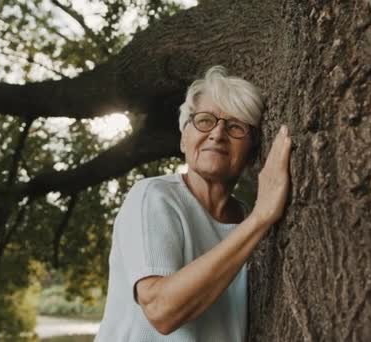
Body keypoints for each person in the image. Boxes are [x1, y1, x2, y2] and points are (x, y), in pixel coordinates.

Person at [95, 66, 292, 341]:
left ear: (252, 153)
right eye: (205, 120)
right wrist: (261, 217)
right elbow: (160, 310)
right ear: (183, 139)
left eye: (236, 126)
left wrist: (258, 219)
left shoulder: (251, 225)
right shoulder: (154, 196)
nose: (218, 134)